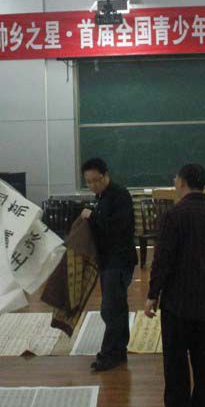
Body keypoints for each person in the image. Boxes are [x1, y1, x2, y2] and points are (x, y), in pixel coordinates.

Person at [143, 163, 205, 407]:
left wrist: (152, 294)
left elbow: (163, 260)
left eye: (175, 178)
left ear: (182, 182)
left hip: (177, 303)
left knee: (176, 364)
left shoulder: (174, 216)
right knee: (204, 362)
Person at [80, 158, 137, 373]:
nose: (93, 185)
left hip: (119, 261)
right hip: (108, 261)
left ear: (106, 175)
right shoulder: (101, 197)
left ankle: (110, 354)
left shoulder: (120, 195)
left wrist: (93, 216)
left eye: (96, 180)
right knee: (116, 308)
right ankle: (118, 350)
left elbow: (118, 228)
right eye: (88, 182)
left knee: (111, 308)